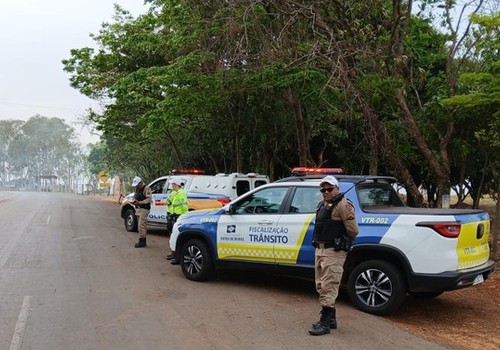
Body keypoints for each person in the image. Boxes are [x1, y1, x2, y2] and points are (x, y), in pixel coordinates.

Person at [309, 175, 359, 336]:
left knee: (329, 285)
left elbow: (353, 230)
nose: (326, 192)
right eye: (323, 189)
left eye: (330, 189)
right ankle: (331, 318)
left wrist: (341, 242)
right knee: (320, 285)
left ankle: (325, 323)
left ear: (337, 188)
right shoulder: (323, 205)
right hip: (321, 249)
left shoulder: (344, 205)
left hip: (334, 252)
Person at [164, 176, 189, 264]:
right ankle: (174, 254)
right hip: (174, 216)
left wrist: (185, 217)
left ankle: (177, 257)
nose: (171, 186)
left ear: (176, 184)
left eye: (172, 184)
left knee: (177, 237)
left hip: (179, 217)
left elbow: (184, 206)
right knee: (172, 236)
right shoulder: (176, 193)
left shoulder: (181, 193)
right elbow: (167, 202)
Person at [131, 176, 152, 248]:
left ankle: (142, 241)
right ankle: (141, 240)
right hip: (138, 209)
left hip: (144, 209)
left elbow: (149, 199)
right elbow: (135, 196)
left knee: (141, 225)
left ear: (140, 182)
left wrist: (140, 202)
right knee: (140, 226)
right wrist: (134, 201)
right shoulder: (137, 188)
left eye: (137, 184)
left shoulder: (146, 188)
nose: (136, 186)